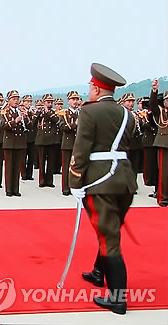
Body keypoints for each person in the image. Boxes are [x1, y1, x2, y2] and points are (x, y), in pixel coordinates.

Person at [70, 63, 137, 314]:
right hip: (125, 180)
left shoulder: (90, 113)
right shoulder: (128, 114)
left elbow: (81, 150)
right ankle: (99, 272)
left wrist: (75, 181)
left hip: (101, 182)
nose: (89, 89)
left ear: (97, 89)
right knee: (110, 229)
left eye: (90, 86)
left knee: (109, 239)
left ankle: (118, 299)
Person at [2, 90, 31, 197]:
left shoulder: (21, 111)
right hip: (10, 142)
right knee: (10, 167)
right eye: (14, 99)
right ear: (8, 100)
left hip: (20, 142)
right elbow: (3, 126)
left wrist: (26, 118)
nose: (16, 101)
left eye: (17, 99)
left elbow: (30, 126)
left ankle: (16, 189)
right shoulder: (5, 112)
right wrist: (15, 121)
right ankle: (9, 189)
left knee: (17, 167)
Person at [148, 79, 168, 207]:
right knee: (164, 173)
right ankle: (164, 197)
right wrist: (154, 91)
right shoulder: (160, 111)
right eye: (167, 99)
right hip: (163, 143)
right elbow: (152, 105)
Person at [60, 91, 80, 196]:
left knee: (76, 167)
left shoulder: (80, 113)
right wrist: (74, 124)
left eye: (77, 99)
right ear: (68, 101)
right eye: (73, 99)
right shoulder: (64, 113)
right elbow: (63, 127)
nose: (75, 102)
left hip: (78, 144)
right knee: (67, 166)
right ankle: (66, 188)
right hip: (68, 143)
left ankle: (75, 187)